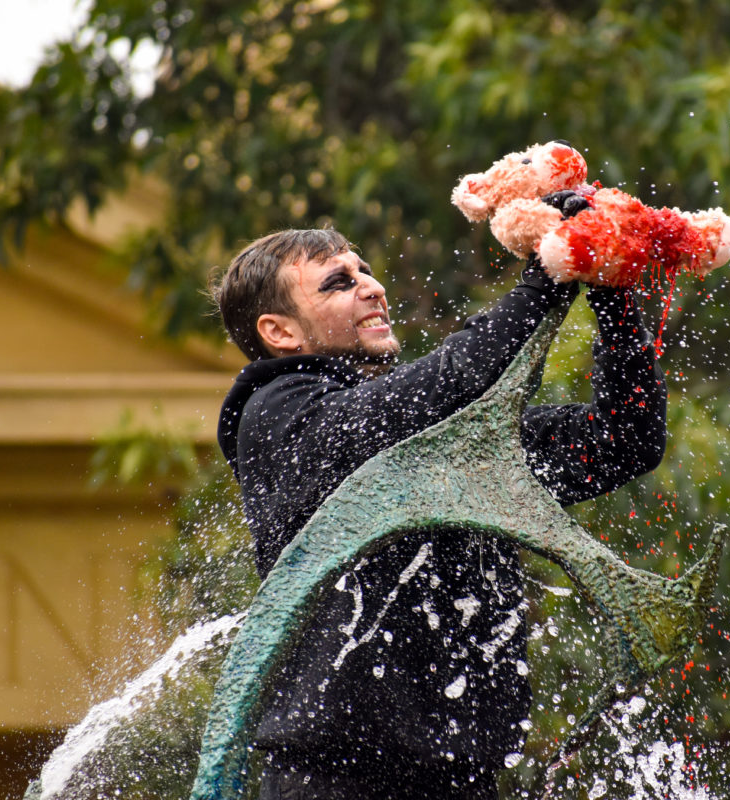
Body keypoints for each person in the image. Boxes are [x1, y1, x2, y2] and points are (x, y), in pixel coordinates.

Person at [212, 195, 666, 799]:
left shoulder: (449, 439)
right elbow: (420, 397)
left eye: (366, 270)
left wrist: (610, 290)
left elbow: (624, 442)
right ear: (281, 332)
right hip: (331, 781)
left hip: (465, 780)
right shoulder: (278, 416)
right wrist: (549, 277)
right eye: (339, 283)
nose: (371, 287)